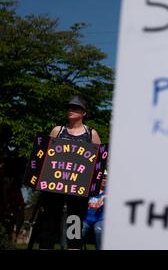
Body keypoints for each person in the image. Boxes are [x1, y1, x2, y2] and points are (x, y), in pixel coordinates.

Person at [38, 96, 101, 249]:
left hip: (78, 187)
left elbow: (99, 160)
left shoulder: (91, 133)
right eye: (69, 107)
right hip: (54, 184)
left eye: (75, 108)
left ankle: (74, 247)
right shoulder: (57, 130)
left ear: (83, 112)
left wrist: (95, 184)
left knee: (75, 220)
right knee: (50, 220)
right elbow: (45, 155)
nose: (70, 110)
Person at [82, 170, 107, 250]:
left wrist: (103, 197)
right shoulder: (91, 190)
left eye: (106, 178)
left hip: (100, 220)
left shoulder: (109, 192)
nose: (104, 180)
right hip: (86, 219)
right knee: (79, 230)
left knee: (98, 230)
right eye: (103, 178)